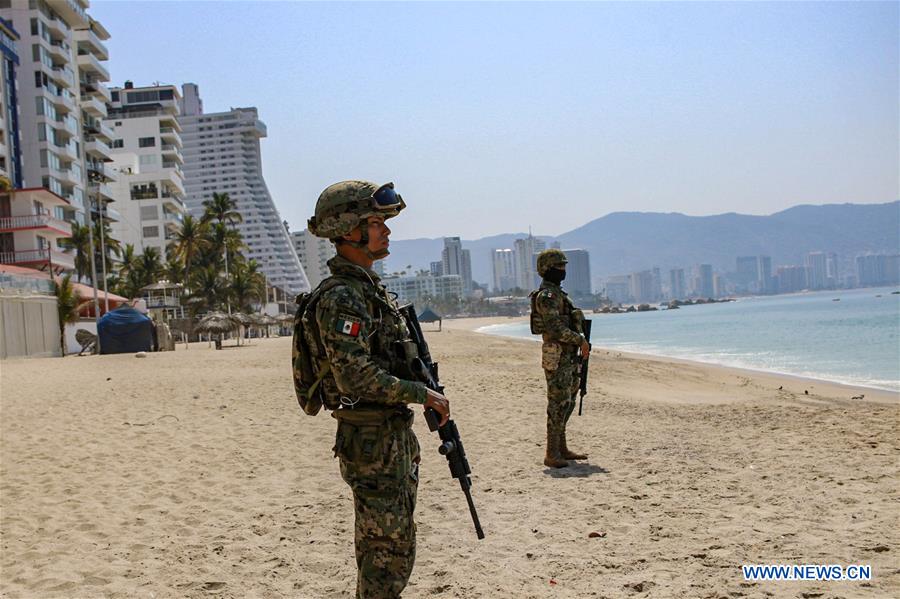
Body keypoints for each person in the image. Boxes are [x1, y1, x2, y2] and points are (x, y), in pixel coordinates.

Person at [304, 180, 450, 598]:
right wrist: (422, 394)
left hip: (388, 436)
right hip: (370, 441)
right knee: (383, 554)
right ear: (350, 231)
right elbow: (355, 376)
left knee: (396, 547)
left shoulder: (368, 291)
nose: (386, 231)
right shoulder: (343, 297)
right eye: (376, 222)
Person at [531, 249, 590, 468]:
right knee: (557, 403)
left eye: (564, 266)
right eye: (559, 266)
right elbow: (555, 328)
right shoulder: (547, 296)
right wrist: (580, 341)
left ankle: (562, 448)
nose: (563, 270)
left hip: (568, 356)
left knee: (569, 401)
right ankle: (551, 452)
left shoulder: (558, 294)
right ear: (547, 269)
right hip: (557, 355)